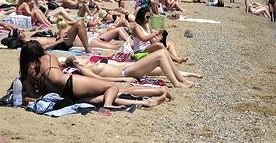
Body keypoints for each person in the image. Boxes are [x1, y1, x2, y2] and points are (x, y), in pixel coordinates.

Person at [19, 40, 168, 108]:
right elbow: (59, 70)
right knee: (113, 88)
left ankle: (145, 102)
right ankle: (109, 105)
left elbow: (33, 96)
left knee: (107, 95)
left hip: (65, 96)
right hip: (71, 83)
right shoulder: (49, 57)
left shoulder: (27, 74)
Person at [64, 49, 197, 88]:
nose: (83, 58)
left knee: (163, 53)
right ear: (76, 62)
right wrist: (122, 80)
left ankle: (181, 80)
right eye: (80, 58)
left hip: (128, 69)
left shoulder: (87, 65)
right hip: (125, 73)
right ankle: (177, 83)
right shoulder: (82, 67)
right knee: (161, 55)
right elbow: (98, 78)